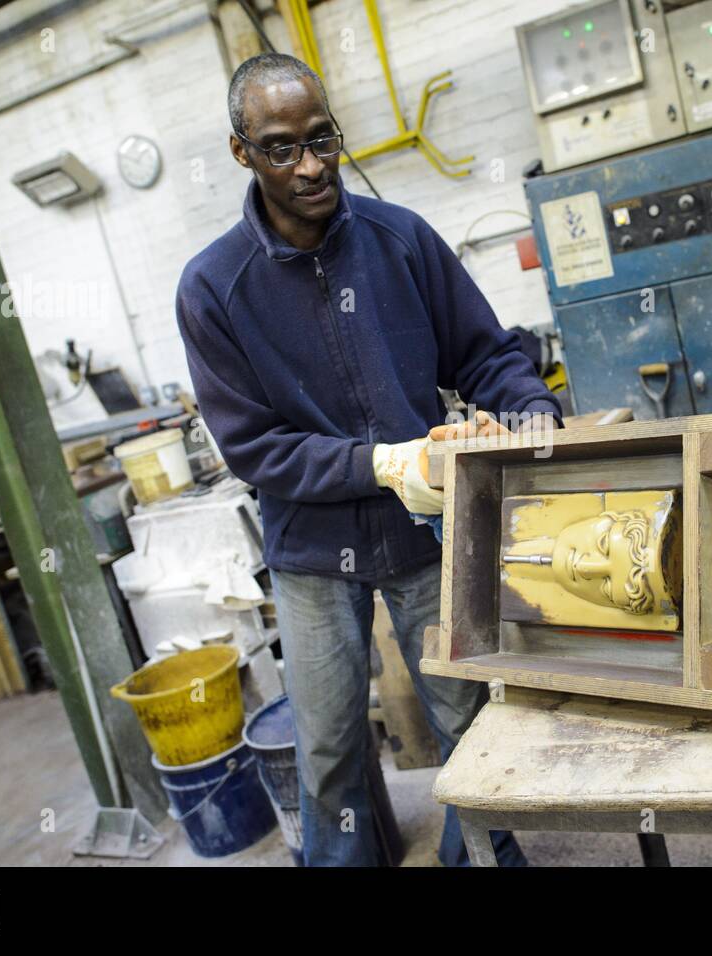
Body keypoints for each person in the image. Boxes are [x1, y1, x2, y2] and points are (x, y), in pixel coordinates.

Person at [175, 52, 560, 866]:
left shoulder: (401, 241)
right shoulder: (213, 287)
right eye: (282, 148)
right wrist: (381, 463)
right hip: (313, 554)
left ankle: (484, 863)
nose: (311, 165)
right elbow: (254, 449)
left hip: (426, 536)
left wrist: (531, 415)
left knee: (470, 727)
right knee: (329, 754)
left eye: (323, 139)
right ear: (242, 151)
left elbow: (484, 354)